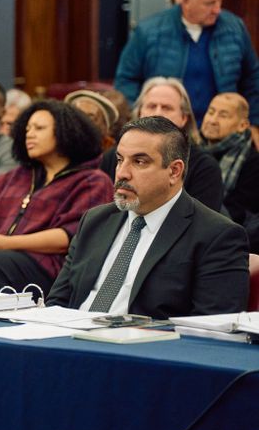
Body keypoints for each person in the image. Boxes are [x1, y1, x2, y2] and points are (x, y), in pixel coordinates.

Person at [47, 117, 249, 319]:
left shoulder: (216, 235)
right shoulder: (95, 220)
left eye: (139, 162)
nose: (122, 173)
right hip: (72, 340)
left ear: (174, 171)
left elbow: (212, 329)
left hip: (144, 346)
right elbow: (57, 303)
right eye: (119, 160)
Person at [0, 100, 114, 293]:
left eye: (39, 128)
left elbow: (69, 237)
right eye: (27, 130)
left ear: (65, 132)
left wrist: (4, 243)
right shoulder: (12, 177)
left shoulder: (92, 181)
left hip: (49, 268)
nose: (30, 135)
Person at [114, 0, 259, 134]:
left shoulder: (234, 27)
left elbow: (253, 79)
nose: (217, 10)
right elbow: (126, 80)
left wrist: (254, 124)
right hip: (166, 132)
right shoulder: (149, 31)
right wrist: (143, 119)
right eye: (210, 3)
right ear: (186, 1)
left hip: (222, 132)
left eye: (220, 1)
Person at [100, 77, 224, 212]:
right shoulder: (111, 157)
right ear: (139, 112)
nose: (158, 113)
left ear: (184, 118)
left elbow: (201, 225)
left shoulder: (205, 167)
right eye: (151, 106)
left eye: (167, 108)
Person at [200, 92, 259, 248]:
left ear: (243, 125)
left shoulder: (253, 163)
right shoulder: (192, 150)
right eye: (211, 112)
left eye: (223, 115)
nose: (212, 120)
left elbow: (241, 212)